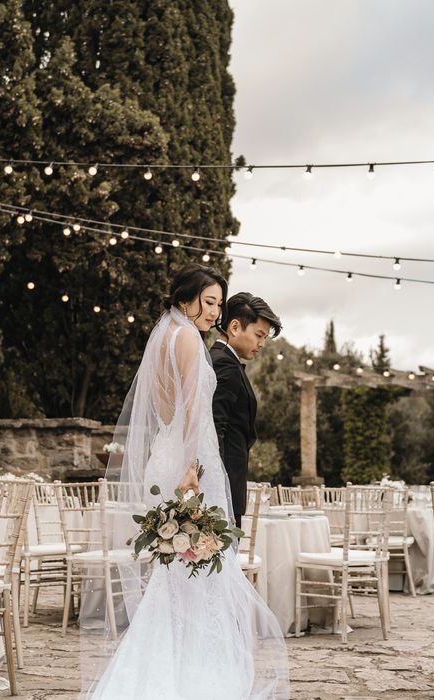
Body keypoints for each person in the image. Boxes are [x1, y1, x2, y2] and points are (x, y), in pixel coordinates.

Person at [84, 264, 288, 699]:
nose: (215, 312)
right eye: (209, 302)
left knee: (176, 576)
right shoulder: (190, 341)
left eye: (218, 303)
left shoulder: (162, 338)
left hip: (167, 455)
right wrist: (192, 466)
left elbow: (165, 409)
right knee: (199, 576)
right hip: (187, 465)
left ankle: (164, 668)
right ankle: (196, 677)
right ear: (184, 300)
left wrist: (179, 457)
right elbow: (195, 412)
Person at [210, 293, 282, 528]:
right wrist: (218, 486)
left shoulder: (222, 360)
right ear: (234, 327)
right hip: (223, 487)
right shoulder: (224, 364)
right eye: (258, 335)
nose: (261, 344)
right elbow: (214, 426)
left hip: (228, 482)